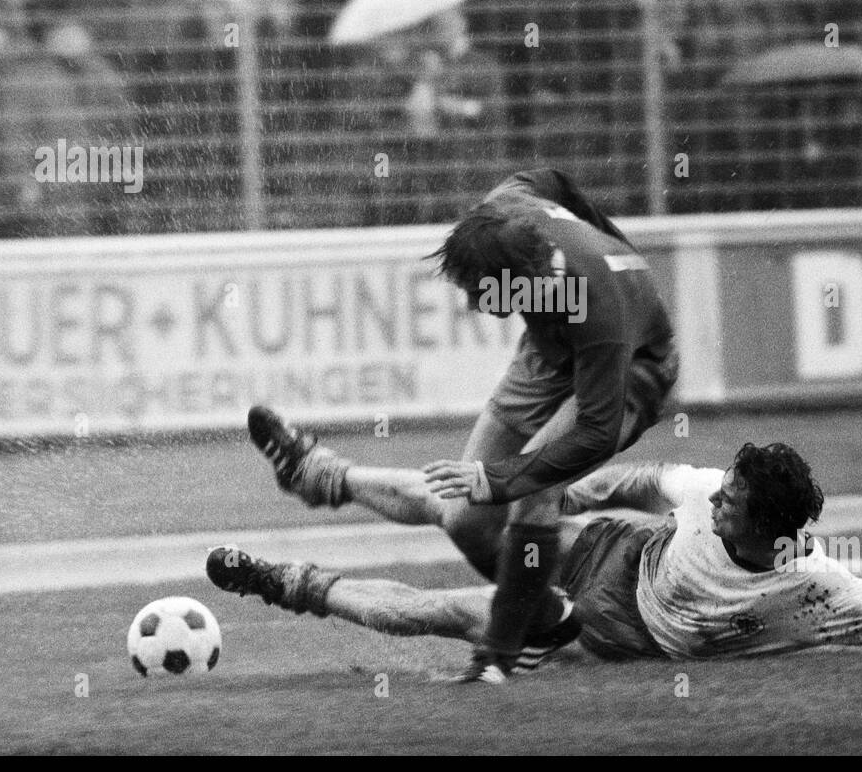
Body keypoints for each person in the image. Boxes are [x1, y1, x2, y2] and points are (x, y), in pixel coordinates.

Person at [247, 167, 679, 682]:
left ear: (525, 279)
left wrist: (501, 478)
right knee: (465, 519)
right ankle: (539, 622)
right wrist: (610, 238)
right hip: (548, 350)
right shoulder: (507, 205)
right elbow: (555, 180)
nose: (474, 303)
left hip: (633, 370)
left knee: (531, 492)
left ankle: (499, 655)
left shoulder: (598, 306)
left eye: (483, 292)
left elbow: (596, 432)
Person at [207, 441, 862, 665]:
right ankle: (320, 474)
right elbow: (644, 479)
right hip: (611, 551)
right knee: (467, 505)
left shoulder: (815, 589)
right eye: (721, 490)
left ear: (767, 534)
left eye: (732, 505)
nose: (716, 498)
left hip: (604, 629)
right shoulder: (711, 490)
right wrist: (567, 497)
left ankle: (286, 582)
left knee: (451, 610)